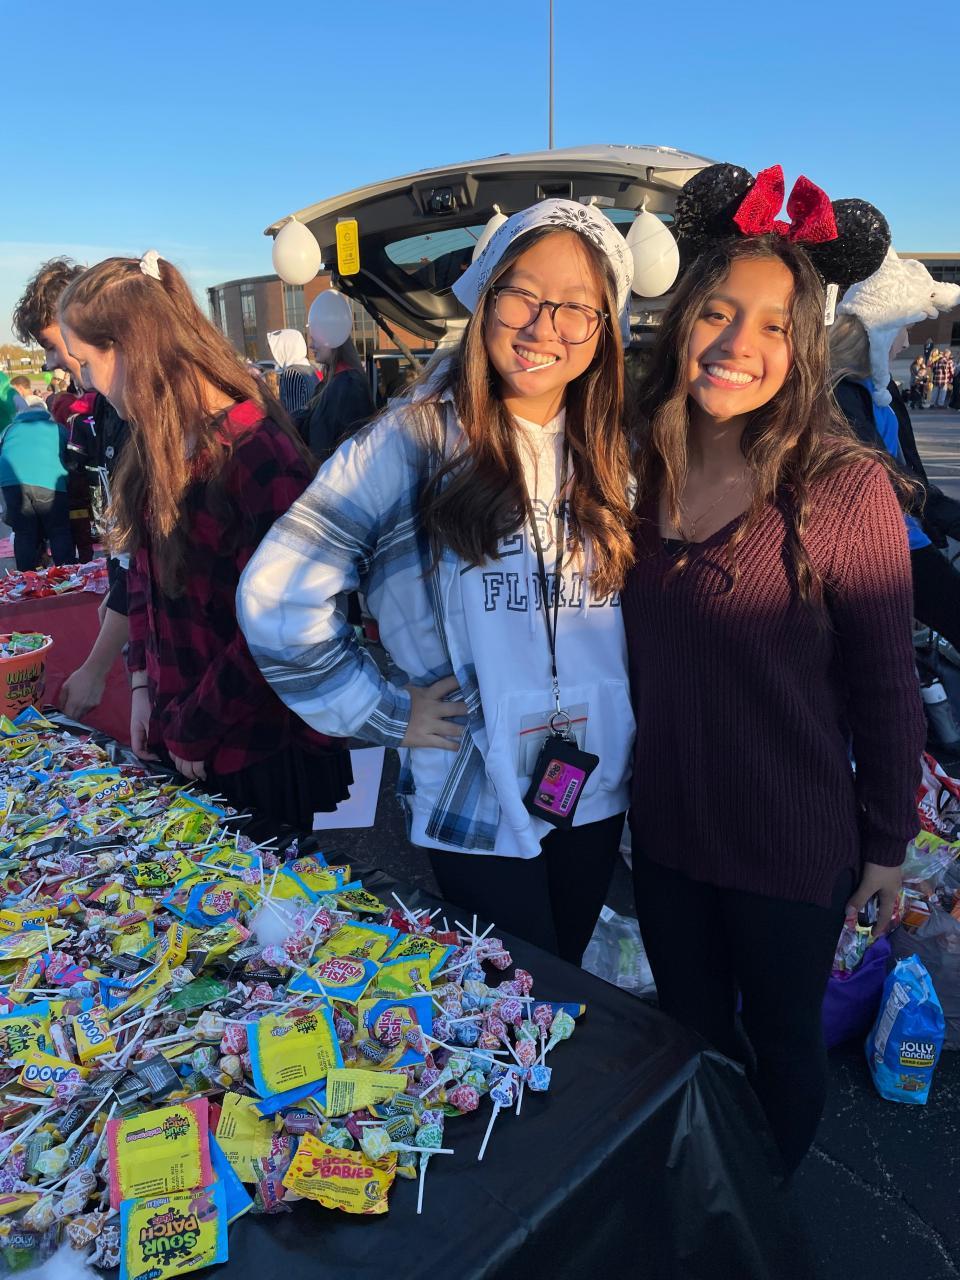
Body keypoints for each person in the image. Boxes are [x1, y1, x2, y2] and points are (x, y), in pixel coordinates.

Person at [623, 163, 925, 1176]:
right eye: (717, 312)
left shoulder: (844, 488)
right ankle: (704, 1189)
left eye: (771, 326)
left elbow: (886, 687)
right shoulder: (637, 467)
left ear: (804, 348)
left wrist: (888, 843)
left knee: (785, 1046)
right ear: (682, 320)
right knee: (689, 1033)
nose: (735, 344)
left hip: (792, 845)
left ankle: (760, 1205)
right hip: (668, 834)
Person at [239, 200, 637, 963]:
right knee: (515, 998)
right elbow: (277, 593)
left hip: (594, 780)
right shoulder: (415, 439)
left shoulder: (615, 449)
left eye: (576, 307)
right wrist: (386, 710)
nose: (544, 326)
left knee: (571, 988)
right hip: (474, 786)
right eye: (522, 294)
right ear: (486, 297)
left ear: (603, 327)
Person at [58, 250, 352, 831]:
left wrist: (197, 723)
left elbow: (288, 622)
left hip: (252, 743)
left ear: (133, 346)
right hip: (183, 728)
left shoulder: (258, 453)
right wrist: (141, 685)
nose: (86, 382)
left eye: (87, 362)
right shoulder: (163, 440)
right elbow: (143, 579)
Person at [12, 257, 129, 719]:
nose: (51, 362)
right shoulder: (106, 406)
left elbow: (156, 553)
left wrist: (97, 668)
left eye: (51, 344)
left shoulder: (136, 409)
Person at [830, 315, 960, 654]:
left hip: (906, 529)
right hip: (884, 543)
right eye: (906, 329)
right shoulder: (841, 392)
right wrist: (947, 517)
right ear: (876, 332)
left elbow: (907, 463)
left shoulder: (878, 388)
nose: (906, 342)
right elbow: (884, 474)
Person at [295, 290, 375, 462]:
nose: (311, 345)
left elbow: (352, 452)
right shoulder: (333, 383)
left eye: (315, 338)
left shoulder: (349, 386)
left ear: (332, 334)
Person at [0, 399, 75, 569]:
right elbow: (70, 456)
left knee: (23, 533)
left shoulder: (9, 430)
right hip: (50, 481)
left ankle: (26, 576)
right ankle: (67, 572)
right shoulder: (57, 429)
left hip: (12, 483)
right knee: (58, 531)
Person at [265, 329, 318, 416]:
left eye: (275, 350)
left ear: (285, 348)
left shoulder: (292, 374)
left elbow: (293, 415)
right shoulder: (310, 368)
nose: (274, 355)